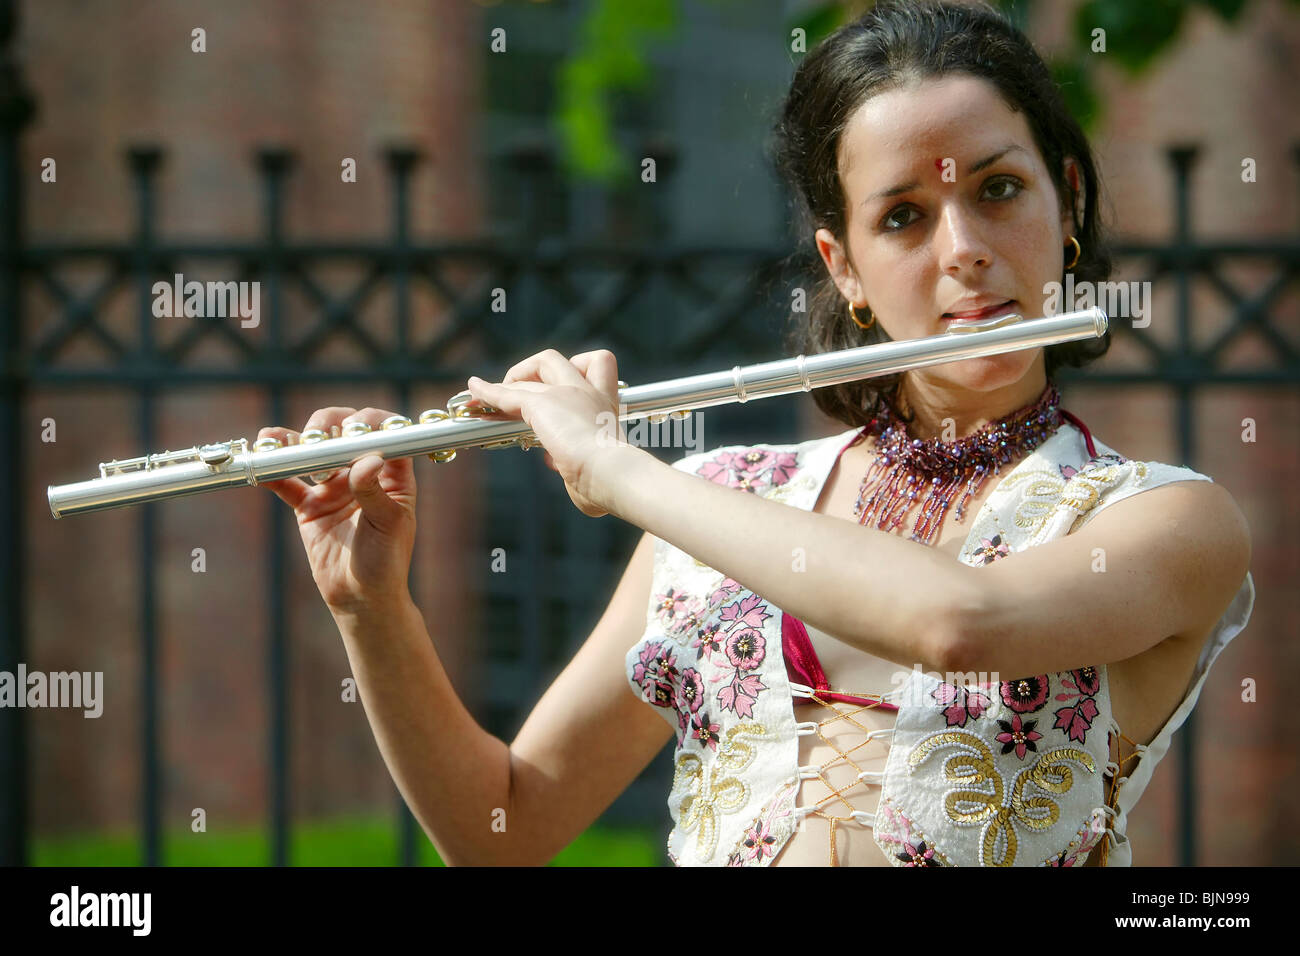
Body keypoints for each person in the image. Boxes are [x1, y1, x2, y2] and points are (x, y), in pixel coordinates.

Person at [259, 0, 1254, 867]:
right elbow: (499, 829)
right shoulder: (727, 493)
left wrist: (611, 464)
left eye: (996, 190)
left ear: (1066, 201)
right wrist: (370, 605)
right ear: (846, 266)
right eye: (903, 216)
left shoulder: (1161, 519)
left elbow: (960, 624)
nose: (962, 251)